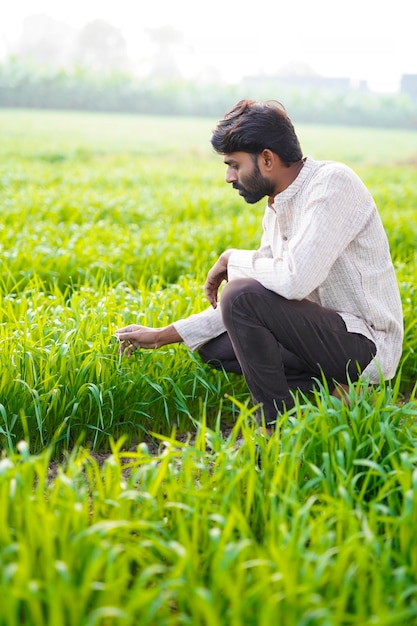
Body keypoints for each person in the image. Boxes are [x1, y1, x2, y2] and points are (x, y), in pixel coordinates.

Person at [115, 99, 404, 431]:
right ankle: (332, 397)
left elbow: (292, 281)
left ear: (267, 159)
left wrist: (231, 259)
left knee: (239, 296)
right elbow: (256, 297)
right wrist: (162, 336)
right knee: (216, 347)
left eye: (234, 165)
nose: (228, 177)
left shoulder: (332, 183)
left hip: (365, 345)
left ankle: (275, 426)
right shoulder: (278, 206)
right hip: (320, 337)